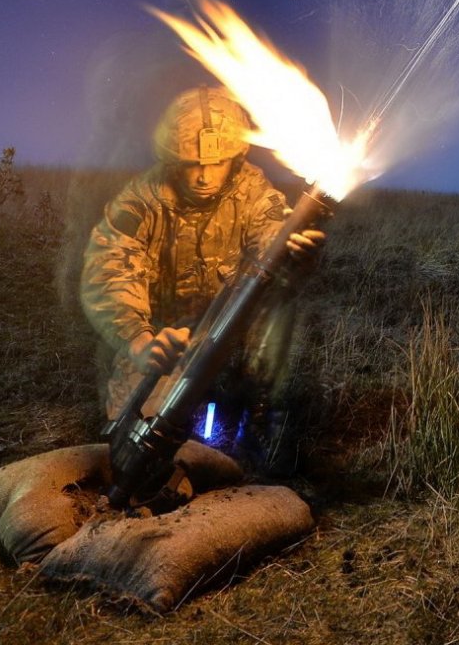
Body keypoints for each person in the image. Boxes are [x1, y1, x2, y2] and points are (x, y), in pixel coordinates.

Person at [79, 86, 323, 457]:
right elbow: (110, 269)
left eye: (218, 161)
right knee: (133, 438)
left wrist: (293, 252)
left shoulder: (253, 190)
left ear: (236, 157)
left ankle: (259, 409)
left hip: (228, 330)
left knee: (280, 298)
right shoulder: (143, 200)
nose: (204, 176)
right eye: (193, 163)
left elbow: (271, 233)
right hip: (163, 338)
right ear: (173, 160)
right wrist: (139, 341)